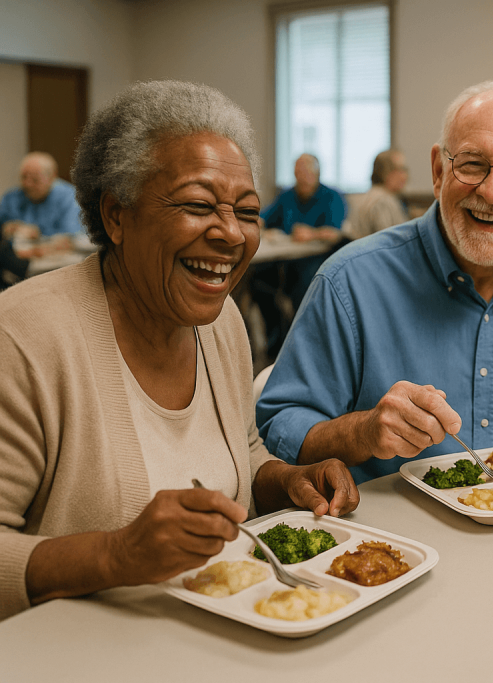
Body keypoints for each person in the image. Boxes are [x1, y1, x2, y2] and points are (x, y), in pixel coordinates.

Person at [0, 80, 360, 621]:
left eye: (247, 212)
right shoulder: (26, 335)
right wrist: (114, 555)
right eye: (198, 205)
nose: (231, 234)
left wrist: (286, 481)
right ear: (117, 216)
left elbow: (242, 453)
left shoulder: (221, 324)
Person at [257, 80, 493, 483]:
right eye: (471, 164)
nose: (492, 191)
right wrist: (362, 431)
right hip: (396, 540)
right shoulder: (349, 282)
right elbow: (282, 421)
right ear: (438, 171)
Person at [251, 153, 348, 360]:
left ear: (316, 173)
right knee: (258, 279)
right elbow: (266, 218)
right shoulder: (287, 196)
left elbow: (337, 232)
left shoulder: (332, 196)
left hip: (316, 260)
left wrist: (312, 233)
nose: (300, 177)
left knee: (304, 285)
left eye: (305, 172)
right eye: (297, 172)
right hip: (284, 259)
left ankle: (304, 346)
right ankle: (275, 342)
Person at [0, 152, 84, 239]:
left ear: (52, 177)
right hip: (16, 251)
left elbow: (72, 236)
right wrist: (8, 228)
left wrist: (38, 234)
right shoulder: (12, 197)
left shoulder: (70, 198)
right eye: (24, 177)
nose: (28, 184)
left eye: (35, 179)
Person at [344, 149, 409, 240]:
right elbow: (390, 242)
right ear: (385, 172)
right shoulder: (383, 201)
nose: (405, 176)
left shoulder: (371, 195)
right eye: (400, 169)